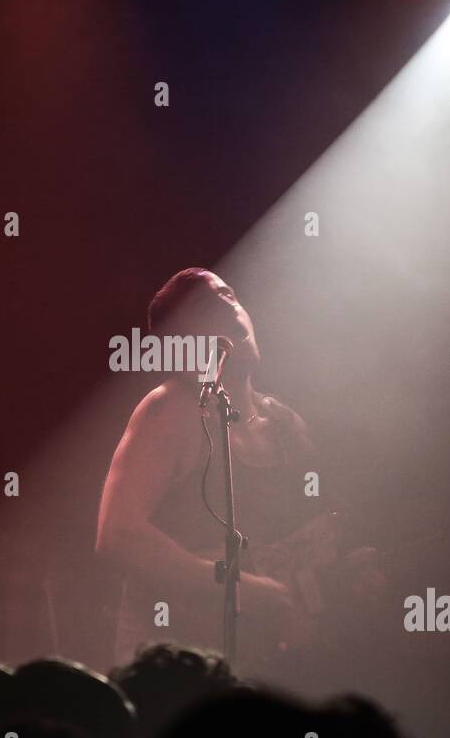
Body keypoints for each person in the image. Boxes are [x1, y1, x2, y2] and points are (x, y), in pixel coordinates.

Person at [96, 268, 328, 672]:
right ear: (179, 341)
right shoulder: (168, 410)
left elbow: (309, 538)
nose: (228, 305)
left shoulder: (287, 425)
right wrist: (231, 587)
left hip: (267, 665)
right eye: (207, 305)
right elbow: (118, 535)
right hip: (172, 670)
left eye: (230, 294)